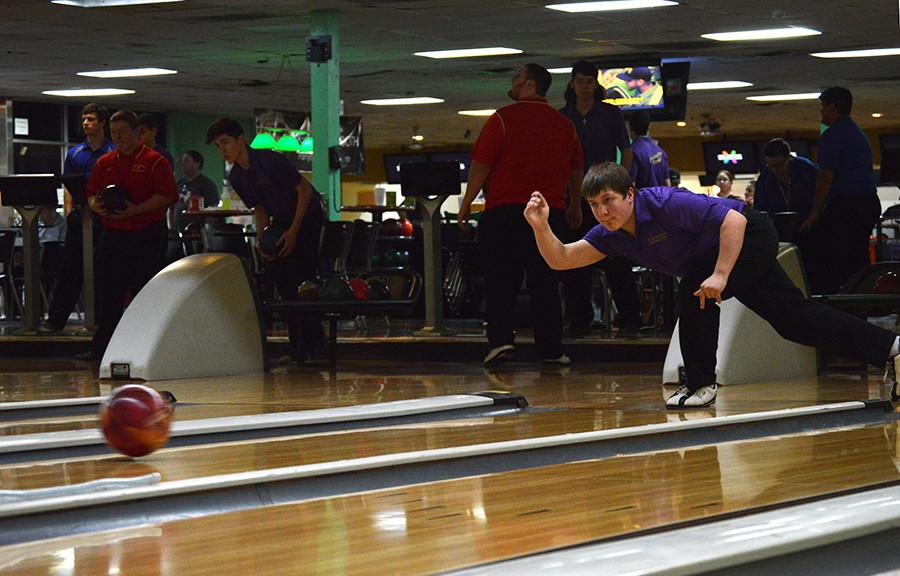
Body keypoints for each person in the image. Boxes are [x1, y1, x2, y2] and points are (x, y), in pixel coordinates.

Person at [524, 161, 900, 408]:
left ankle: (701, 384)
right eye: (594, 205)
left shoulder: (664, 203)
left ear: (631, 195)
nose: (603, 211)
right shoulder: (610, 235)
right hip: (723, 251)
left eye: (609, 200)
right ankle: (890, 348)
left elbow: (733, 223)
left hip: (750, 232)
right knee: (794, 320)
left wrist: (720, 276)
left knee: (696, 294)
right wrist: (541, 227)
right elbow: (562, 258)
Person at [457, 63, 583, 365]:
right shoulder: (565, 125)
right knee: (546, 283)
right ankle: (551, 350)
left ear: (530, 85)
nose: (513, 82)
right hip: (548, 213)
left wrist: (465, 205)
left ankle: (501, 343)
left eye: (518, 78)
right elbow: (576, 168)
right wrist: (575, 204)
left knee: (501, 281)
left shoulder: (502, 118)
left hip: (505, 212)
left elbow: (481, 166)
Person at [206, 117, 324, 362]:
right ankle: (298, 348)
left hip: (308, 217)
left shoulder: (270, 160)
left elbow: (304, 191)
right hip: (281, 222)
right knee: (284, 281)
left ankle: (313, 346)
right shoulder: (238, 176)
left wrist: (293, 231)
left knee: (303, 281)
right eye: (218, 146)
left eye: (225, 142)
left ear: (241, 140)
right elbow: (260, 209)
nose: (222, 150)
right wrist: (261, 239)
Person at [79, 110, 177, 360]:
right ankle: (102, 348)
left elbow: (166, 195)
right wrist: (95, 205)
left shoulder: (155, 161)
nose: (118, 137)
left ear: (137, 132)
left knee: (142, 289)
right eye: (114, 133)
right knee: (107, 289)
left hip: (145, 234)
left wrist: (136, 210)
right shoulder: (105, 163)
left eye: (123, 131)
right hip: (113, 233)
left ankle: (147, 347)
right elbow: (91, 193)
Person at [559, 60, 639, 338]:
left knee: (617, 259)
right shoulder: (563, 117)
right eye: (580, 81)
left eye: (589, 82)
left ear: (595, 84)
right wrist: (570, 200)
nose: (584, 86)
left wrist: (621, 184)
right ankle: (578, 321)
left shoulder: (610, 113)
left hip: (606, 192)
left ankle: (630, 320)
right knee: (575, 261)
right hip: (575, 196)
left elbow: (626, 151)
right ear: (572, 84)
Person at [800, 86, 881, 294]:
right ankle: (860, 300)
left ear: (832, 107)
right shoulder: (856, 132)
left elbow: (826, 178)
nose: (821, 112)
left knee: (833, 257)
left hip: (847, 205)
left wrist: (815, 212)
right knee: (857, 255)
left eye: (822, 106)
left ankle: (837, 300)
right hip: (868, 202)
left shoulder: (832, 135)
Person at [45, 103, 114, 333]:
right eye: (84, 119)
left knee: (103, 268)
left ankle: (101, 320)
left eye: (91, 119)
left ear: (102, 123)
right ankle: (55, 321)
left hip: (105, 216)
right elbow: (68, 185)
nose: (86, 123)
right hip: (80, 216)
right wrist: (69, 212)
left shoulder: (112, 151)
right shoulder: (75, 153)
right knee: (70, 269)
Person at [754, 138, 817, 245]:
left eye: (778, 165)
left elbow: (822, 196)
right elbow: (759, 209)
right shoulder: (765, 177)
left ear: (788, 158)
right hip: (779, 232)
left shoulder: (807, 170)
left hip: (809, 226)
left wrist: (813, 217)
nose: (774, 170)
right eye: (770, 165)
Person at [172, 150, 220, 232]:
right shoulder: (179, 183)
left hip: (198, 231)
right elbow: (172, 207)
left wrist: (207, 230)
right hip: (179, 230)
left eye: (186, 161)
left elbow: (213, 207)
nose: (182, 164)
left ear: (197, 163)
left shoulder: (206, 184)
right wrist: (172, 228)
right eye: (182, 161)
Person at [628, 111, 670, 188]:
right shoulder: (661, 152)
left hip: (643, 199)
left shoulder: (633, 152)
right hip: (661, 199)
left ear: (630, 128)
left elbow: (631, 185)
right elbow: (667, 184)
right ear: (649, 126)